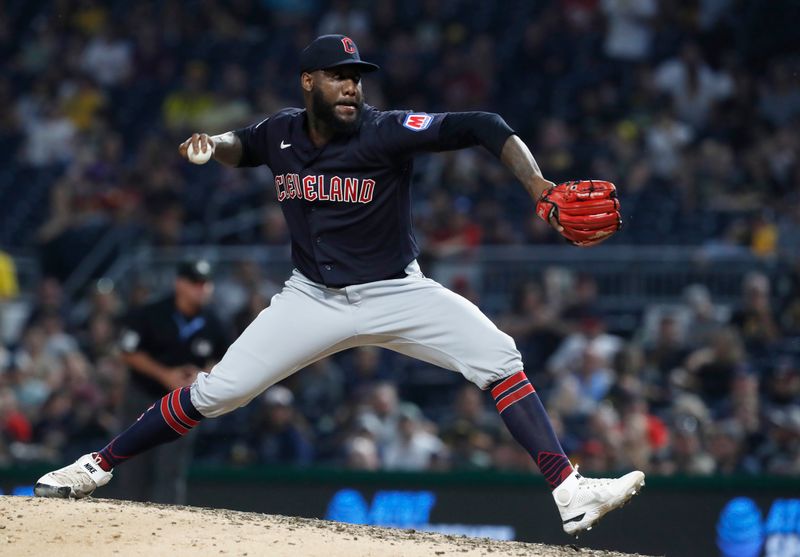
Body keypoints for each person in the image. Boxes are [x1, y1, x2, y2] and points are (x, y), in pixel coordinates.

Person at [35, 35, 643, 536]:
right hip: (313, 298)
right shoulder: (280, 133)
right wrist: (210, 143)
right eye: (337, 75)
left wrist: (540, 190)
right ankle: (95, 465)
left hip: (397, 293)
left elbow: (484, 124)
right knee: (216, 393)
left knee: (500, 357)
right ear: (309, 83)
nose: (352, 86)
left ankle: (568, 490)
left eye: (357, 77)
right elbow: (239, 144)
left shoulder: (387, 131)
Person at [114, 259, 229, 503]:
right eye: (196, 283)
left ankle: (165, 528)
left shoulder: (213, 321)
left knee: (171, 470)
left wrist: (201, 373)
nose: (203, 289)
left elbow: (226, 357)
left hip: (182, 404)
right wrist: (165, 374)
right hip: (143, 397)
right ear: (180, 284)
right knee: (133, 465)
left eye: (206, 283)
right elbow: (127, 351)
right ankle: (125, 524)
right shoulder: (151, 313)